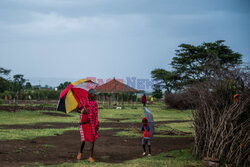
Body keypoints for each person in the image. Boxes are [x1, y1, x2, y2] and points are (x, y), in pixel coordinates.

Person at [77, 89, 99, 162]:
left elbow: (95, 114)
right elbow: (77, 109)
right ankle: (80, 152)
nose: (95, 96)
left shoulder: (95, 103)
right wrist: (82, 111)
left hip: (91, 123)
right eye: (94, 94)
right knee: (83, 140)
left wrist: (96, 123)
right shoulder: (83, 101)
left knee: (92, 140)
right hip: (84, 123)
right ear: (90, 94)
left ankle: (90, 157)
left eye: (96, 94)